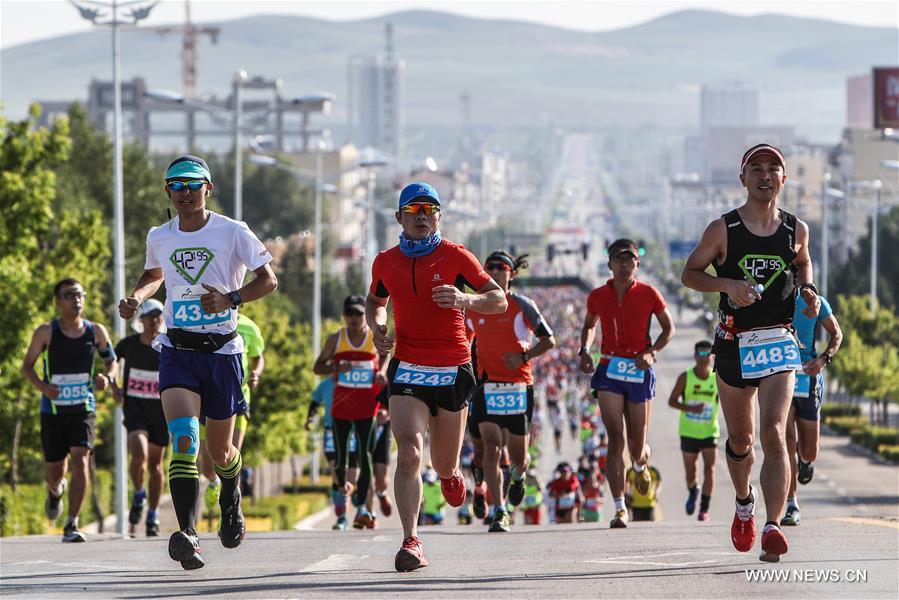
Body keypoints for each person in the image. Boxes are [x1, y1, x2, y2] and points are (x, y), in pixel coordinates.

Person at [118, 155, 277, 570]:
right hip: (178, 351)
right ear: (167, 191)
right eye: (176, 185)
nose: (185, 193)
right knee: (185, 439)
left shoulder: (233, 231)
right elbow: (154, 273)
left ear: (208, 188)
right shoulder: (160, 235)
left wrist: (231, 299)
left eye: (192, 185)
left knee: (220, 451)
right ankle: (188, 534)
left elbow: (268, 280)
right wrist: (137, 297)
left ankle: (231, 494)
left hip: (222, 353)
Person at [682, 143, 820, 563]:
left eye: (773, 168)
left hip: (778, 340)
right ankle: (745, 502)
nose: (765, 175)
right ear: (743, 179)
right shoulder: (723, 229)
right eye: (756, 168)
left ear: (784, 179)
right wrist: (727, 285)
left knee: (775, 432)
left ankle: (773, 526)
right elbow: (690, 273)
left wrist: (808, 290)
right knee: (741, 440)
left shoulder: (796, 229)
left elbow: (803, 263)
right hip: (734, 342)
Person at [366, 181, 506, 571]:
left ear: (439, 216)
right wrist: (378, 326)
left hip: (452, 368)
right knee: (409, 451)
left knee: (442, 463)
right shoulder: (385, 262)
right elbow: (375, 299)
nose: (422, 216)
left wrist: (466, 299)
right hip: (408, 365)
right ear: (399, 217)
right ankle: (411, 540)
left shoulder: (457, 256)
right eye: (414, 210)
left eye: (430, 210)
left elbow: (499, 299)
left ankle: (450, 474)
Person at [579, 239, 675, 529]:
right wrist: (585, 350)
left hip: (638, 369)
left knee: (636, 445)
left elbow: (668, 329)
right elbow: (589, 325)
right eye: (619, 259)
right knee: (615, 438)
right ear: (609, 263)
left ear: (637, 263)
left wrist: (651, 352)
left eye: (630, 259)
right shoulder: (597, 296)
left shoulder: (649, 294)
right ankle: (620, 507)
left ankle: (640, 464)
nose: (624, 264)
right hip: (609, 368)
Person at [22, 278, 117, 543]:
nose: (76, 299)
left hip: (83, 408)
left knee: (80, 459)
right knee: (55, 470)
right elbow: (27, 367)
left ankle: (71, 523)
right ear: (58, 302)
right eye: (69, 295)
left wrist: (107, 378)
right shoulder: (46, 332)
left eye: (79, 294)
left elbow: (111, 361)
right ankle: (55, 491)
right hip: (53, 410)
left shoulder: (96, 331)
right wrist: (43, 388)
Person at [467, 251, 556, 533]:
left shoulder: (522, 305)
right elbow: (462, 342)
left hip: (519, 386)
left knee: (519, 458)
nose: (495, 271)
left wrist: (524, 356)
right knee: (492, 447)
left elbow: (549, 340)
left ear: (512, 274)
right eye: (489, 267)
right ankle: (499, 510)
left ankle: (518, 477)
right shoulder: (475, 307)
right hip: (486, 386)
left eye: (501, 267)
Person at [314, 294, 388, 529]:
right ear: (344, 316)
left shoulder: (373, 337)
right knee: (341, 455)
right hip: (341, 407)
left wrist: (381, 371)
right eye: (350, 314)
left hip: (368, 406)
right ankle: (343, 490)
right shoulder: (336, 339)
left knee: (365, 455)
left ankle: (361, 503)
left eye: (359, 313)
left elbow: (386, 354)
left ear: (365, 315)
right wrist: (336, 367)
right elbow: (317, 367)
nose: (354, 318)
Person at [781, 295, 842, 527]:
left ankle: (805, 461)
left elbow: (836, 334)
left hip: (808, 377)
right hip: (781, 375)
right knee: (786, 442)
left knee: (810, 450)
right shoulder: (773, 297)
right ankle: (791, 504)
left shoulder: (815, 302)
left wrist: (824, 359)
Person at [202, 311, 265, 520]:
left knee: (229, 453)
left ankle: (231, 503)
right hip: (207, 397)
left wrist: (256, 373)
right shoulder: (205, 322)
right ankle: (214, 482)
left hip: (239, 396)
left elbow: (258, 357)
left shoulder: (249, 327)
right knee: (207, 466)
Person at [112, 299, 168, 537]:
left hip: (161, 412)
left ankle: (152, 516)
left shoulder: (167, 345)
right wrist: (114, 385)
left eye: (158, 315)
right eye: (150, 315)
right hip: (135, 409)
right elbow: (112, 361)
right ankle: (138, 493)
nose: (155, 319)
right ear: (141, 319)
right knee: (139, 452)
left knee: (156, 465)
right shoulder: (129, 345)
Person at [668, 340, 719, 522]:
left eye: (708, 354)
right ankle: (693, 490)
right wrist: (691, 409)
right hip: (688, 432)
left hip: (710, 431)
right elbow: (672, 401)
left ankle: (704, 509)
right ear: (695, 356)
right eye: (701, 354)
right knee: (691, 474)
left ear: (713, 357)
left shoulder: (717, 378)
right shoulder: (685, 377)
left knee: (710, 469)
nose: (705, 358)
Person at [306, 377, 357, 531]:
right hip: (331, 432)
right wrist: (309, 418)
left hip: (352, 431)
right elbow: (315, 402)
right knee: (337, 475)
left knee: (351, 479)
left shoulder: (355, 379)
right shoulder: (325, 384)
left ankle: (358, 502)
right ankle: (342, 517)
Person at [625, 448, 662, 522]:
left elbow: (659, 483)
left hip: (649, 503)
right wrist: (628, 494)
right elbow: (626, 483)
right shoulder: (631, 471)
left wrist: (657, 493)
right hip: (635, 503)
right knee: (636, 524)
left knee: (650, 524)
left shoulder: (653, 471)